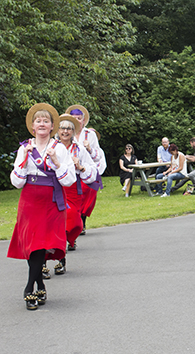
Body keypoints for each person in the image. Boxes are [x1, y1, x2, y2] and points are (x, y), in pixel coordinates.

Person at [8, 103, 76, 310]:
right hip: (30, 200)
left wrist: (56, 162)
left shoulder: (60, 149)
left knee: (41, 245)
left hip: (51, 201)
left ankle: (30, 288)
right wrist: (24, 160)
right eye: (38, 121)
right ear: (32, 126)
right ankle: (38, 284)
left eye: (46, 121)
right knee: (32, 245)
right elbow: (16, 182)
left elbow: (69, 180)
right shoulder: (24, 148)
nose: (42, 124)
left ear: (52, 126)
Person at [44, 114, 98, 277]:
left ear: (74, 131)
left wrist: (80, 167)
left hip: (72, 189)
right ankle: (48, 261)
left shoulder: (79, 149)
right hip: (53, 188)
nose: (65, 131)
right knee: (51, 225)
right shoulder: (50, 146)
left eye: (69, 128)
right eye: (62, 128)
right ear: (57, 130)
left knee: (74, 223)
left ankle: (62, 248)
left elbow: (91, 172)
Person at [66, 105, 105, 234]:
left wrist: (89, 149)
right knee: (72, 198)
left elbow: (98, 156)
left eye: (79, 118)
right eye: (74, 118)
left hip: (86, 171)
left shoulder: (90, 135)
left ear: (83, 120)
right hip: (71, 172)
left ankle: (82, 221)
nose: (77, 120)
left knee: (87, 196)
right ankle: (74, 225)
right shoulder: (63, 132)